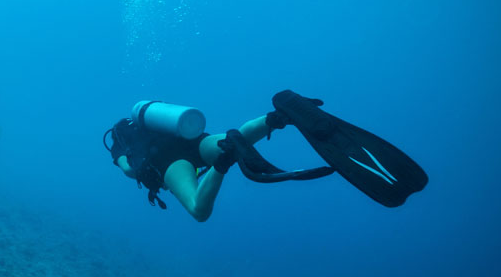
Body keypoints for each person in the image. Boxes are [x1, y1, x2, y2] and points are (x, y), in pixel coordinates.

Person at [104, 90, 428, 222]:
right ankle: (276, 118)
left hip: (170, 162)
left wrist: (136, 165)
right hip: (195, 139)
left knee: (199, 209)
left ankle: (223, 162)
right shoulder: (156, 118)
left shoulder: (119, 138)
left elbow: (130, 171)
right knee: (233, 138)